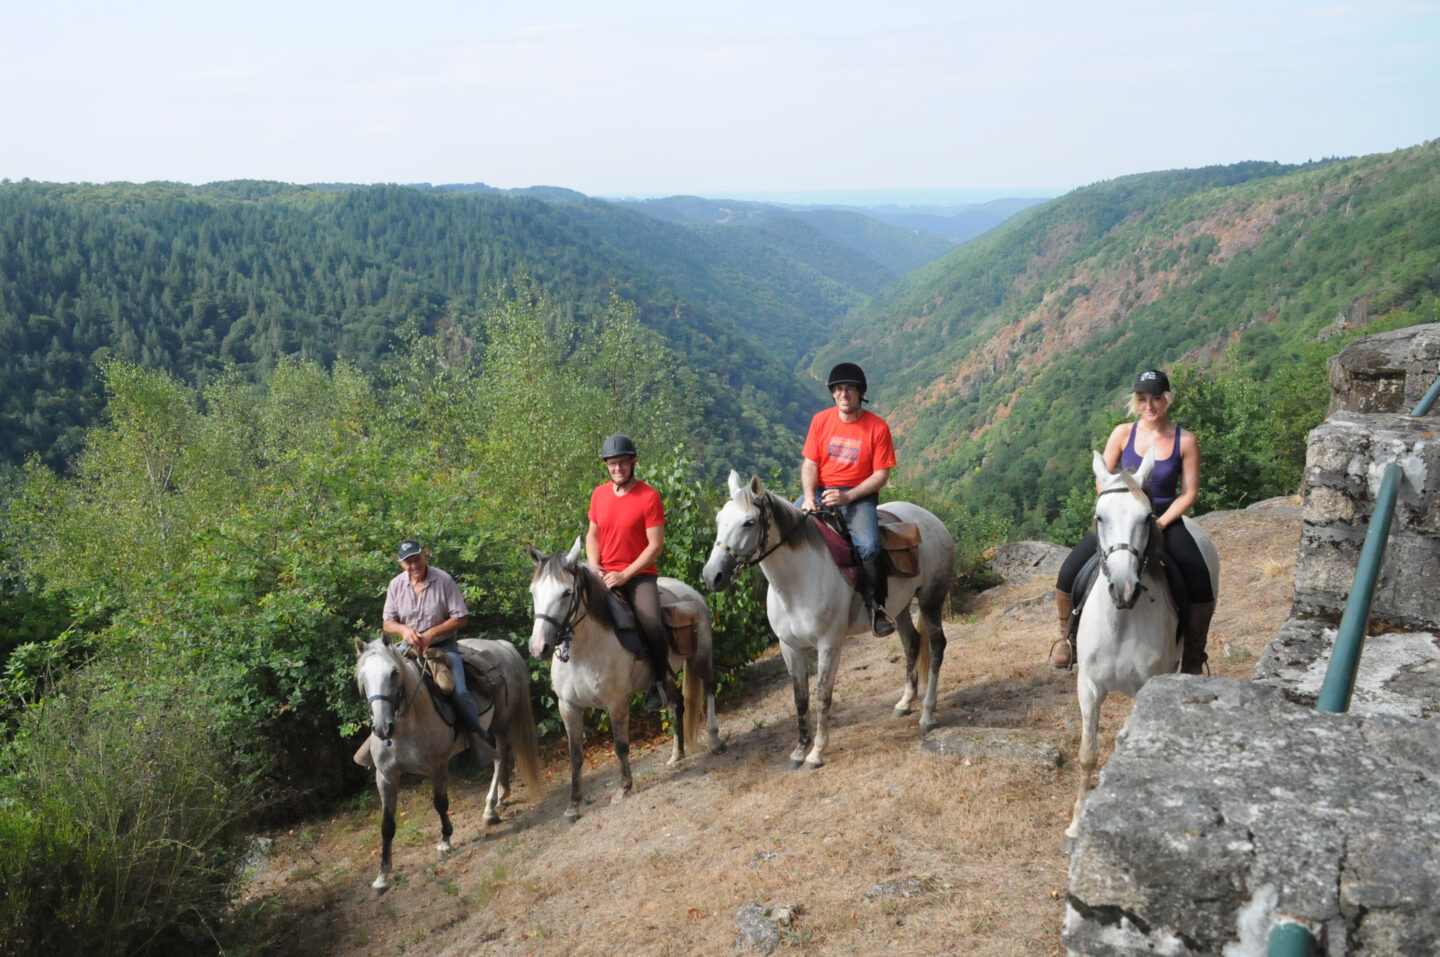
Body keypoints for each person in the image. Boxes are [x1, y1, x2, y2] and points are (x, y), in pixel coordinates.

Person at [1050, 369, 1216, 673]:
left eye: (1156, 398)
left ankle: (1193, 653)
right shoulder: (1122, 433)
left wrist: (1161, 522)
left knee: (1199, 579)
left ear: (1167, 399)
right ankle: (1068, 638)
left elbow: (1189, 493)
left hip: (1163, 518)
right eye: (1143, 399)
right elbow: (1104, 476)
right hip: (1119, 519)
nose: (1149, 405)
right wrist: (1113, 505)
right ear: (1136, 401)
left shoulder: (1185, 441)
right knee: (1069, 571)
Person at [800, 362, 898, 636]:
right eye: (839, 389)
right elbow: (810, 464)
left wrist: (848, 496)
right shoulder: (821, 420)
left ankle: (878, 608)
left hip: (858, 495)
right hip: (821, 491)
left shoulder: (877, 427)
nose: (844, 394)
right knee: (785, 527)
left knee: (868, 545)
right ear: (833, 393)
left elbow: (881, 475)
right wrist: (809, 497)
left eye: (850, 389)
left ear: (860, 393)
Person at [383, 538, 496, 764]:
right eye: (408, 561)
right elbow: (387, 622)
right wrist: (404, 630)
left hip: (443, 646)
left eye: (416, 558)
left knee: (459, 691)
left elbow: (461, 617)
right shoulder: (396, 584)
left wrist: (432, 634)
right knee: (385, 684)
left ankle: (478, 735)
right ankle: (382, 738)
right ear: (401, 564)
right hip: (408, 647)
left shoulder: (443, 580)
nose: (413, 564)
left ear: (424, 554)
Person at [586, 434, 671, 710]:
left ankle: (659, 682)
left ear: (633, 462)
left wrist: (624, 575)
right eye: (612, 463)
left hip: (639, 575)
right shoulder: (599, 494)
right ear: (607, 465)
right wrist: (594, 566)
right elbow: (593, 535)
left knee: (651, 622)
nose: (617, 468)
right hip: (603, 573)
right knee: (571, 610)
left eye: (622, 462)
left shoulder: (649, 497)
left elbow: (655, 546)